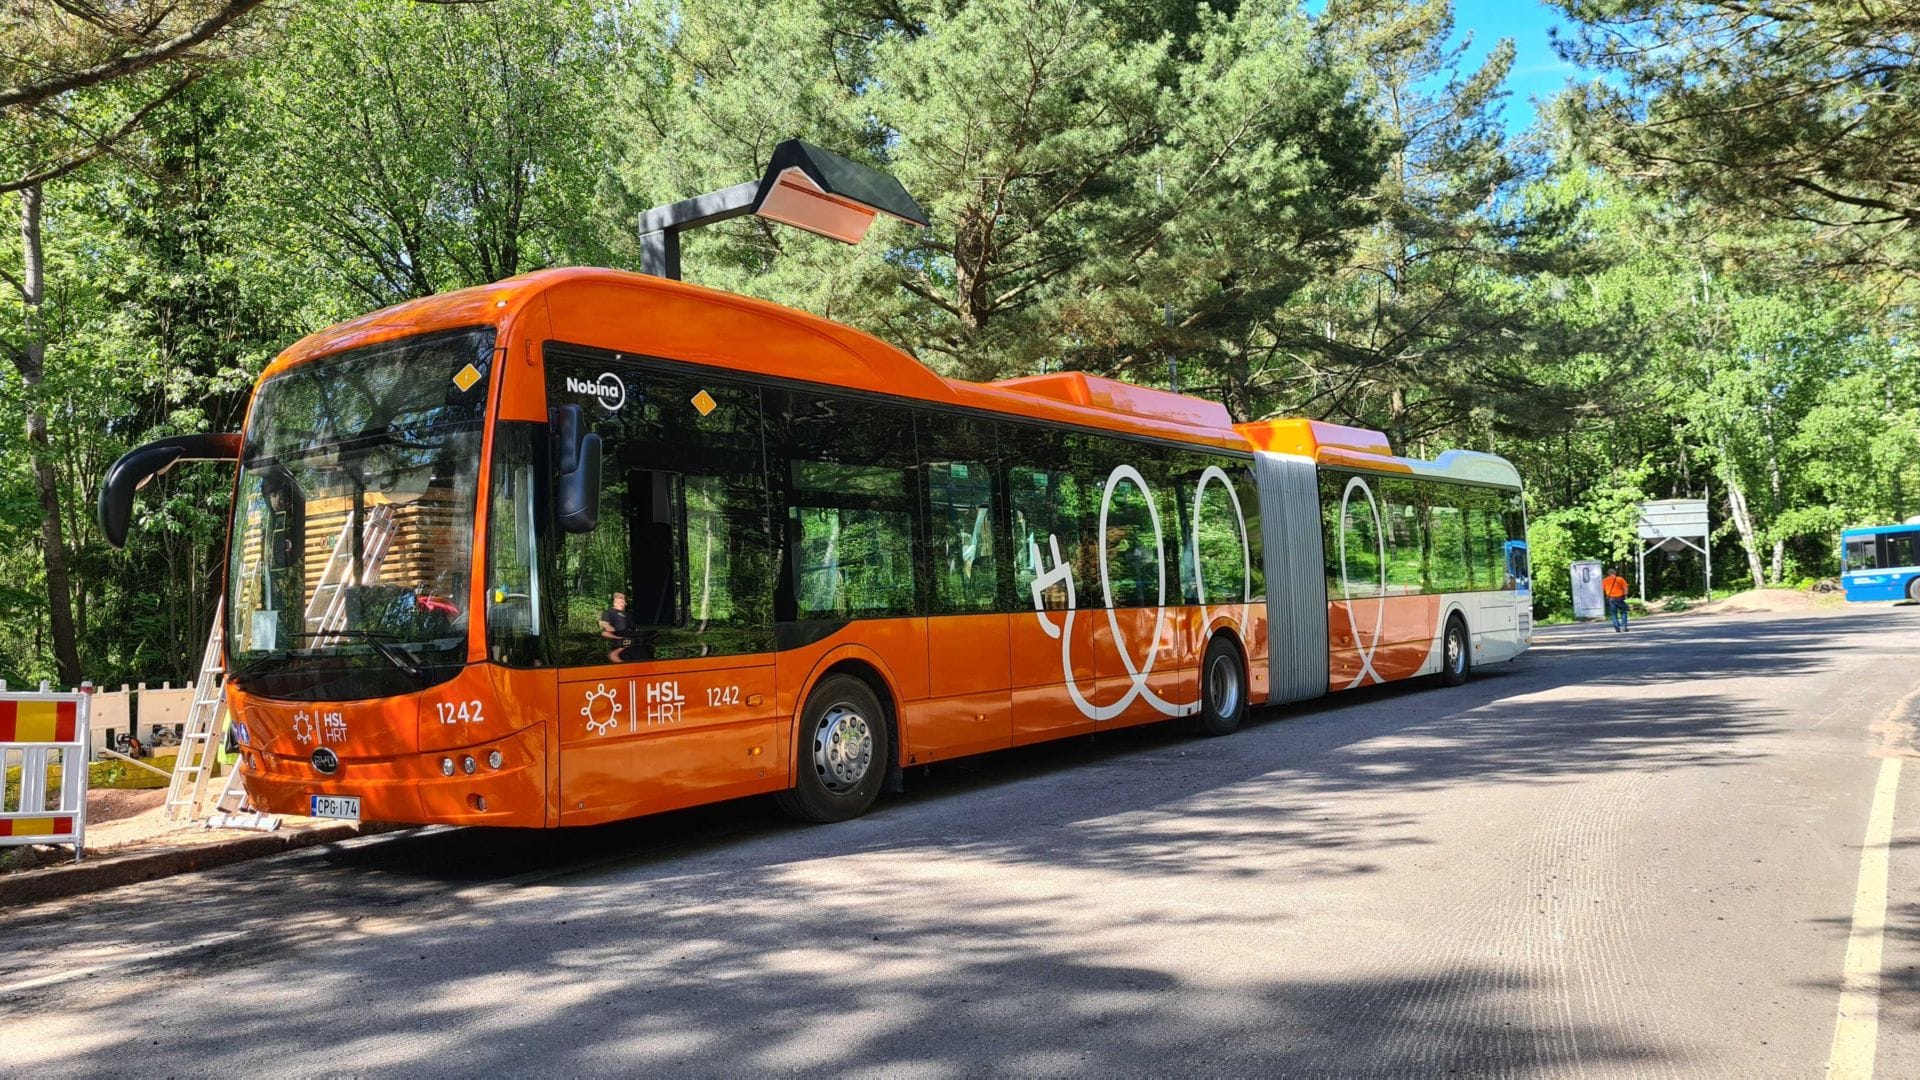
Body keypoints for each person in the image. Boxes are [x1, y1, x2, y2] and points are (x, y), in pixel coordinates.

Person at [1602, 566, 1631, 632]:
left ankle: (1617, 627)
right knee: (1624, 612)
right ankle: (1624, 626)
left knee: (1614, 614)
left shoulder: (1605, 580)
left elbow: (1602, 589)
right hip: (1620, 598)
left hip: (1611, 599)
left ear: (1608, 573)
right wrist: (1626, 595)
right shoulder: (1620, 579)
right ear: (1614, 572)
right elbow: (1625, 588)